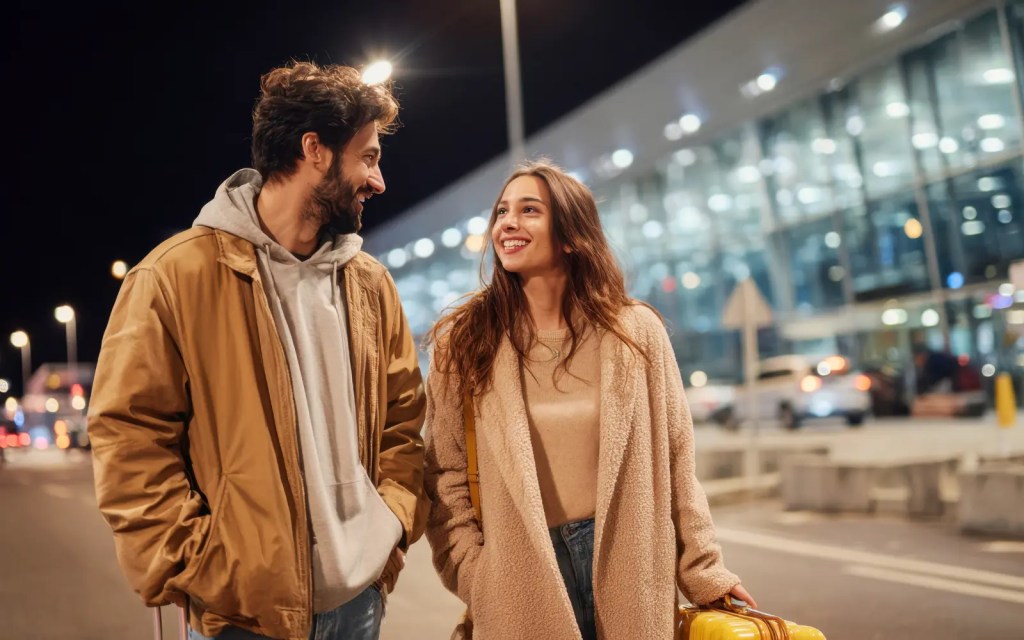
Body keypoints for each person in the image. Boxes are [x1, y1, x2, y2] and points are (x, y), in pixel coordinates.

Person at [88, 60, 427, 640]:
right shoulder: (174, 276)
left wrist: (391, 524)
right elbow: (128, 435)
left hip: (359, 603)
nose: (379, 180)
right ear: (314, 149)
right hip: (243, 615)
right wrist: (198, 565)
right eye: (368, 156)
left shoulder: (370, 285)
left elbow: (403, 424)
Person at [423, 160, 755, 639]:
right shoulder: (467, 340)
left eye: (529, 210)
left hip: (629, 562)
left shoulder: (635, 332)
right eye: (501, 212)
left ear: (571, 235)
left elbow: (677, 463)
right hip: (521, 576)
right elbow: (444, 474)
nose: (508, 224)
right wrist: (480, 577)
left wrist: (706, 573)